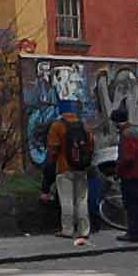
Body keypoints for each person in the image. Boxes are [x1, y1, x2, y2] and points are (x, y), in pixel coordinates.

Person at [44, 104, 94, 246]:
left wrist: (51, 164)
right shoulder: (84, 125)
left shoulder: (57, 126)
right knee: (82, 200)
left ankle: (67, 230)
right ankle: (84, 230)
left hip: (64, 168)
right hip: (81, 168)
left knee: (66, 200)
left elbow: (53, 149)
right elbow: (91, 144)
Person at [112, 104, 138, 243]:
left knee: (131, 205)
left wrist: (118, 171)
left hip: (130, 175)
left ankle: (133, 233)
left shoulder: (126, 134)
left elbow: (127, 157)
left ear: (116, 122)